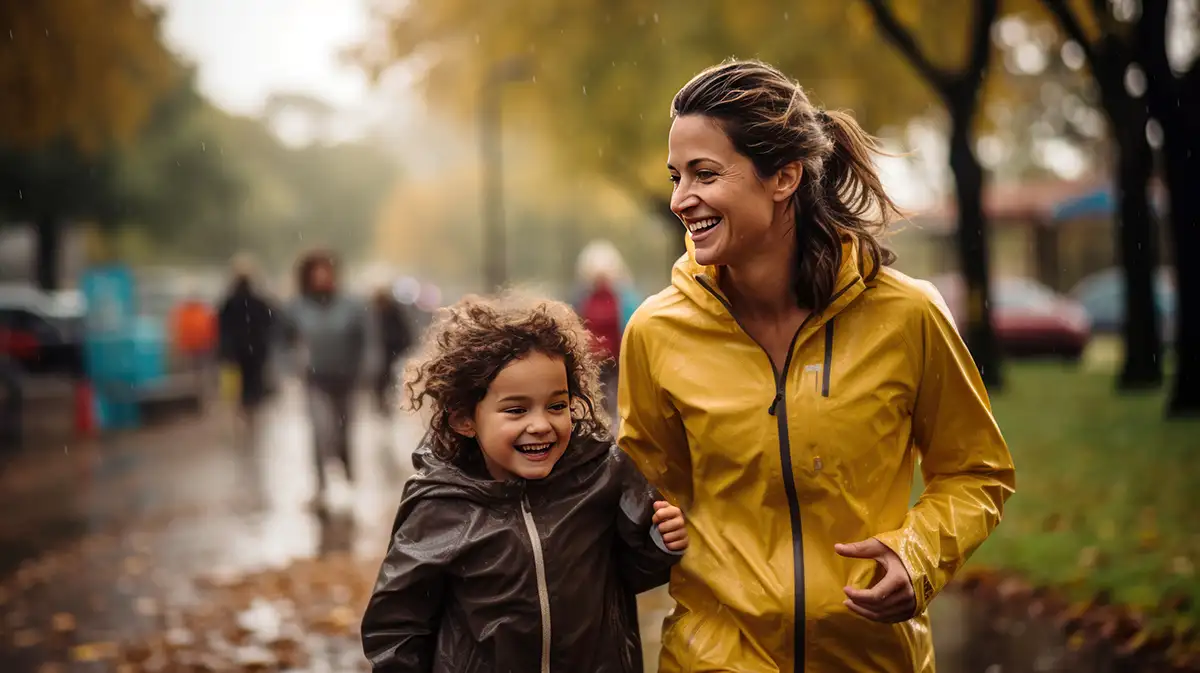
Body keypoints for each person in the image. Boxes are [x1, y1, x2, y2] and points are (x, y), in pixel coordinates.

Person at [617, 60, 1017, 672]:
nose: (680, 199)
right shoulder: (656, 331)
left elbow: (976, 472)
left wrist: (918, 555)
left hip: (872, 657)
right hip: (713, 658)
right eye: (677, 176)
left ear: (783, 177)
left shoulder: (907, 315)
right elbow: (639, 498)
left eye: (705, 174)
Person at [360, 293, 688, 672]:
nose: (540, 424)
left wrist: (661, 543)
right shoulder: (440, 507)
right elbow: (397, 627)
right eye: (516, 410)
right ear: (465, 419)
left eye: (557, 405)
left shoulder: (600, 475)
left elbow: (623, 577)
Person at [286, 249, 368, 507]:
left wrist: (367, 367)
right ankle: (320, 484)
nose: (322, 277)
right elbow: (282, 340)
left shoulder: (351, 306)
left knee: (343, 432)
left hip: (346, 380)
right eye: (316, 272)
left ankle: (347, 471)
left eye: (326, 271)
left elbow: (366, 339)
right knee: (321, 431)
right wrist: (289, 365)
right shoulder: (297, 307)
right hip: (315, 380)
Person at [216, 256, 277, 425]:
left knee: (245, 383)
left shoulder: (230, 302)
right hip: (253, 349)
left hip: (243, 349)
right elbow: (270, 322)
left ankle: (246, 409)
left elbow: (223, 327)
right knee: (252, 382)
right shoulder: (258, 301)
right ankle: (250, 408)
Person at [369, 285, 415, 414]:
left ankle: (386, 402)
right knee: (381, 379)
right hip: (383, 351)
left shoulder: (393, 312)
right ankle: (382, 402)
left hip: (391, 351)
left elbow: (404, 332)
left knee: (387, 377)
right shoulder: (374, 313)